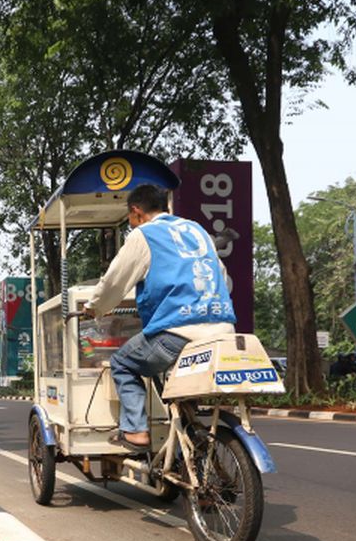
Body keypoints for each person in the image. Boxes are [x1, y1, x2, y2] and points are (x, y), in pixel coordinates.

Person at [74, 183, 236, 450]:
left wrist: (93, 308)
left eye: (129, 218)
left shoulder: (144, 235)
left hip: (177, 333)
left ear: (136, 211)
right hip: (222, 330)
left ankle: (136, 431)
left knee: (123, 364)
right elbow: (224, 279)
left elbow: (115, 281)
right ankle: (188, 430)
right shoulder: (197, 231)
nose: (131, 223)